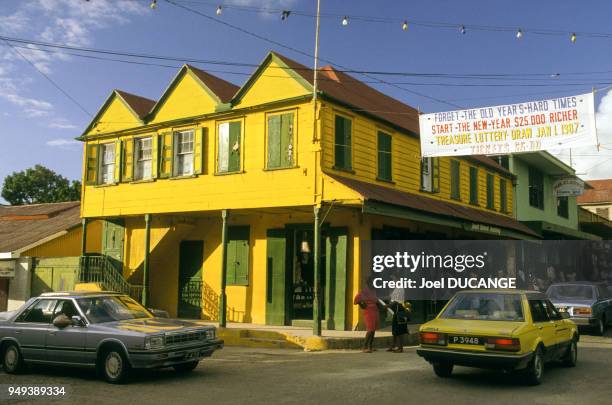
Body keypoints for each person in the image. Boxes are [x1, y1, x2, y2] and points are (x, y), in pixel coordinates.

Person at [354, 275, 379, 353]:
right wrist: (362, 305)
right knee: (370, 330)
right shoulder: (365, 291)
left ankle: (370, 346)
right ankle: (364, 347)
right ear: (369, 283)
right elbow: (356, 300)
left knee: (373, 330)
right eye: (372, 282)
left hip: (375, 311)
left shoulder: (373, 290)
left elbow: (376, 300)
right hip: (368, 311)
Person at [386, 281, 409, 353]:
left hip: (400, 311)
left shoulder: (400, 289)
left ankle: (400, 348)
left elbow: (396, 302)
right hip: (397, 311)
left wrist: (387, 306)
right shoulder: (396, 288)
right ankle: (393, 345)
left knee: (399, 330)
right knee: (395, 329)